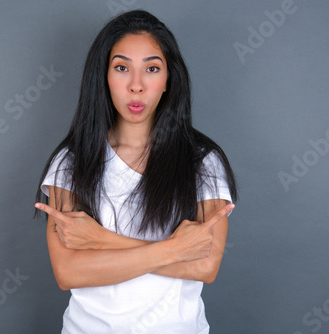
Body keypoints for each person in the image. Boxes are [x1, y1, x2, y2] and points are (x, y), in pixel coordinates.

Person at [34, 9, 238, 334]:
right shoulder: (71, 162)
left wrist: (99, 239)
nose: (136, 86)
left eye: (152, 69)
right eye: (122, 68)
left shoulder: (202, 161)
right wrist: (175, 249)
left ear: (169, 78)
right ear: (103, 76)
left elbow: (205, 265)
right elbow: (68, 272)